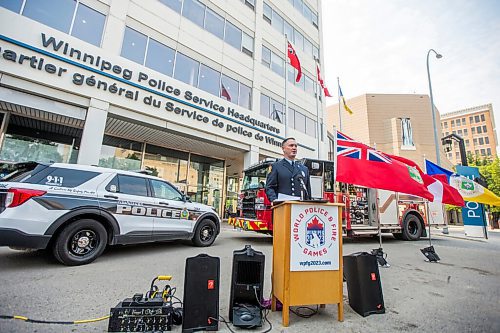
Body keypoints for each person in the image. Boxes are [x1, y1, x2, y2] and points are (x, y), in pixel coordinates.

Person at [265, 137, 311, 202]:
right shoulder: (276, 166)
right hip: (282, 206)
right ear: (283, 149)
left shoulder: (304, 169)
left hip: (300, 208)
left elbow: (308, 190)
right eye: (291, 145)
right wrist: (274, 201)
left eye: (295, 146)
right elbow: (269, 187)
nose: (294, 148)